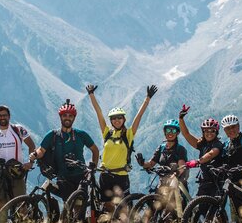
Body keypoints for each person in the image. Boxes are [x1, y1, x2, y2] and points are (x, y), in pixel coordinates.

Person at [85, 83, 156, 213]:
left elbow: (138, 116)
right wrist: (91, 95)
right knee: (108, 208)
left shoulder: (128, 134)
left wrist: (147, 98)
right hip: (105, 175)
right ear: (111, 121)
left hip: (121, 176)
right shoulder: (107, 133)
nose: (117, 120)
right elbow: (99, 113)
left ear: (123, 119)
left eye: (119, 118)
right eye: (114, 118)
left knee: (124, 210)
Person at [30, 99, 100, 201]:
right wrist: (35, 154)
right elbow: (42, 150)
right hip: (63, 176)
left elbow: (95, 150)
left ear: (74, 118)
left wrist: (93, 167)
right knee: (68, 204)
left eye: (70, 116)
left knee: (79, 206)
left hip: (81, 175)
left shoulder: (81, 134)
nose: (67, 118)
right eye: (64, 115)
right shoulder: (52, 135)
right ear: (60, 117)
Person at [0, 105, 36, 208]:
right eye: (0, 116)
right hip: (0, 171)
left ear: (9, 116)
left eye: (5, 115)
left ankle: (25, 222)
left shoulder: (18, 129)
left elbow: (31, 145)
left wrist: (30, 162)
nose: (2, 117)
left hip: (16, 170)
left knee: (21, 204)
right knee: (2, 203)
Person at [137, 119, 189, 215]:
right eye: (168, 130)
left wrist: (176, 173)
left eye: (173, 131)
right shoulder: (161, 148)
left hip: (175, 182)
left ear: (177, 133)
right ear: (164, 132)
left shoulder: (180, 149)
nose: (170, 133)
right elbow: (151, 163)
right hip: (163, 182)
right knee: (155, 208)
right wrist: (143, 163)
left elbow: (182, 166)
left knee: (169, 211)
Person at [178, 105, 225, 199]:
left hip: (216, 183)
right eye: (206, 131)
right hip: (204, 181)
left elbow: (211, 154)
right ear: (203, 132)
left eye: (212, 131)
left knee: (212, 210)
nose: (209, 133)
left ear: (216, 133)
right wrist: (181, 118)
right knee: (199, 211)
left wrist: (198, 161)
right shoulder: (202, 144)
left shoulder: (218, 144)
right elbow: (186, 134)